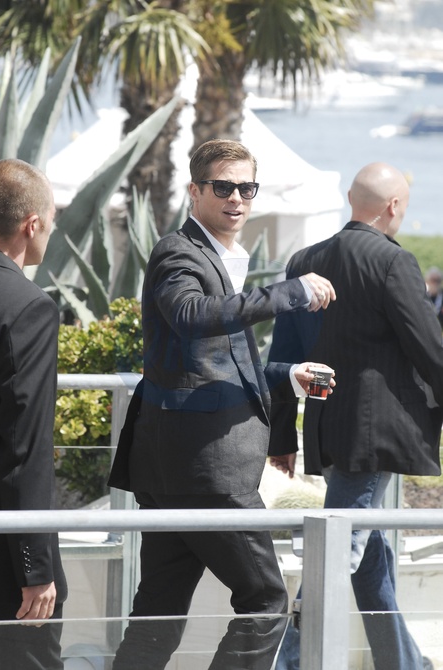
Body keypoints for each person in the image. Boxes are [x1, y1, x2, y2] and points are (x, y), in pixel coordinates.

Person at [108, 138, 336, 670]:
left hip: (179, 470)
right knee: (266, 601)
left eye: (247, 188)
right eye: (223, 187)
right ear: (195, 190)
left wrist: (288, 376)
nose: (236, 198)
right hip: (208, 473)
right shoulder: (179, 252)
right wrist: (290, 292)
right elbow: (191, 315)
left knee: (159, 612)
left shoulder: (220, 257)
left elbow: (210, 362)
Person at [268, 162, 443, 670]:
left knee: (368, 558)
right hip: (374, 433)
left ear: (350, 197)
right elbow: (429, 348)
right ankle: (287, 663)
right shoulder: (393, 261)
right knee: (339, 552)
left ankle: (403, 662)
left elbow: (285, 356)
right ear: (393, 206)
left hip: (326, 425)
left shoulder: (304, 260)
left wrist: (283, 437)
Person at [0, 159, 68, 668]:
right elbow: (25, 445)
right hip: (4, 556)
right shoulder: (28, 307)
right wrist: (35, 566)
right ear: (32, 223)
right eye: (52, 221)